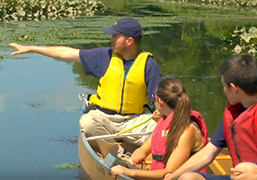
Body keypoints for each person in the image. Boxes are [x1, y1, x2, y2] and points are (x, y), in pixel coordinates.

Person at [9, 17, 162, 157]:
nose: (111, 40)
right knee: (87, 123)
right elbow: (66, 53)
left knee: (164, 130)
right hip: (104, 119)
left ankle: (136, 153)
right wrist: (33, 48)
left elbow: (160, 100)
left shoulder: (149, 65)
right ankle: (119, 153)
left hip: (134, 121)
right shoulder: (104, 56)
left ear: (129, 41)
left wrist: (161, 116)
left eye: (115, 36)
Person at [164, 53, 257, 180]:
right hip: (241, 176)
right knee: (188, 177)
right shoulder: (235, 113)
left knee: (246, 168)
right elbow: (207, 154)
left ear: (234, 88)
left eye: (223, 85)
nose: (223, 90)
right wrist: (173, 176)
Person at [111, 78, 209, 179]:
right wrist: (132, 160)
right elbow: (143, 150)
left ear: (160, 101)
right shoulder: (164, 122)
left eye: (154, 98)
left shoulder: (187, 131)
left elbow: (170, 173)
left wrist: (131, 173)